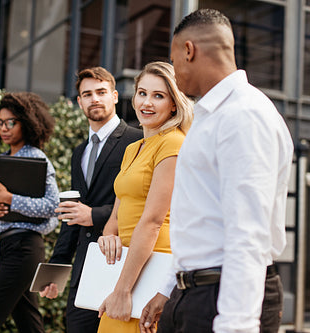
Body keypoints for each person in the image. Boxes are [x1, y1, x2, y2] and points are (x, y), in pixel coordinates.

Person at [140, 9, 294, 333]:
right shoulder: (209, 117)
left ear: (188, 50)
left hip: (223, 300)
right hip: (193, 294)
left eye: (173, 58)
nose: (174, 71)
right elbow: (199, 221)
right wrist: (169, 288)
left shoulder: (245, 115)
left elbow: (247, 232)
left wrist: (236, 327)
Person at [90, 61, 193, 333]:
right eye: (142, 93)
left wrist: (123, 291)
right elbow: (117, 209)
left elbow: (152, 222)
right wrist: (108, 235)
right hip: (123, 264)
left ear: (174, 103)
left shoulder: (174, 143)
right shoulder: (132, 148)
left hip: (151, 265)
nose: (147, 102)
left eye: (158, 96)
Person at [39, 67, 142, 332]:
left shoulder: (137, 141)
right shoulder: (79, 152)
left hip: (123, 264)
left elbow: (143, 203)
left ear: (115, 96)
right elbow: (72, 213)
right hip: (84, 271)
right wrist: (56, 269)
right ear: (79, 102)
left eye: (101, 92)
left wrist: (93, 215)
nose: (94, 99)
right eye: (87, 94)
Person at [0, 92, 59, 333]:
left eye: (10, 122)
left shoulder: (37, 158)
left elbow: (53, 206)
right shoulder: (6, 159)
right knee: (29, 324)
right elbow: (0, 213)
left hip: (25, 249)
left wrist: (9, 198)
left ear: (26, 122)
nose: (4, 129)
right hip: (10, 247)